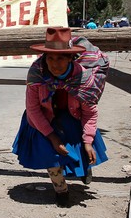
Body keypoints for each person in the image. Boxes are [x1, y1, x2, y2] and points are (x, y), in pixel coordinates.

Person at [12, 26, 109, 208]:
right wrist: (52, 137)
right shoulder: (36, 74)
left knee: (79, 147)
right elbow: (32, 109)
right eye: (50, 58)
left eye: (61, 58)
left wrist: (88, 141)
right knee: (50, 151)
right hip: (42, 117)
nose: (54, 64)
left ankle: (83, 169)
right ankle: (61, 191)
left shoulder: (84, 78)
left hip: (72, 115)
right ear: (44, 58)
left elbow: (89, 112)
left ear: (71, 58)